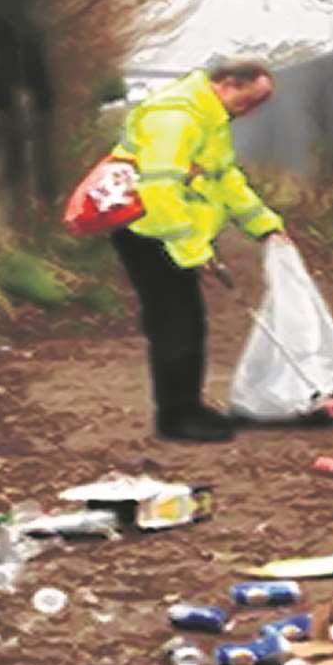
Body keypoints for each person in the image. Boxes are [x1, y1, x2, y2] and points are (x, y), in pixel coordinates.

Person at [109, 59, 287, 442]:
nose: (249, 111)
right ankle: (176, 417)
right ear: (224, 83)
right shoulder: (176, 118)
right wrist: (193, 250)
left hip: (169, 233)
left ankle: (189, 406)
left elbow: (225, 179)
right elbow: (159, 190)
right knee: (175, 323)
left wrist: (265, 225)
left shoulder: (210, 120)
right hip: (150, 233)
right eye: (248, 99)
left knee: (188, 322)